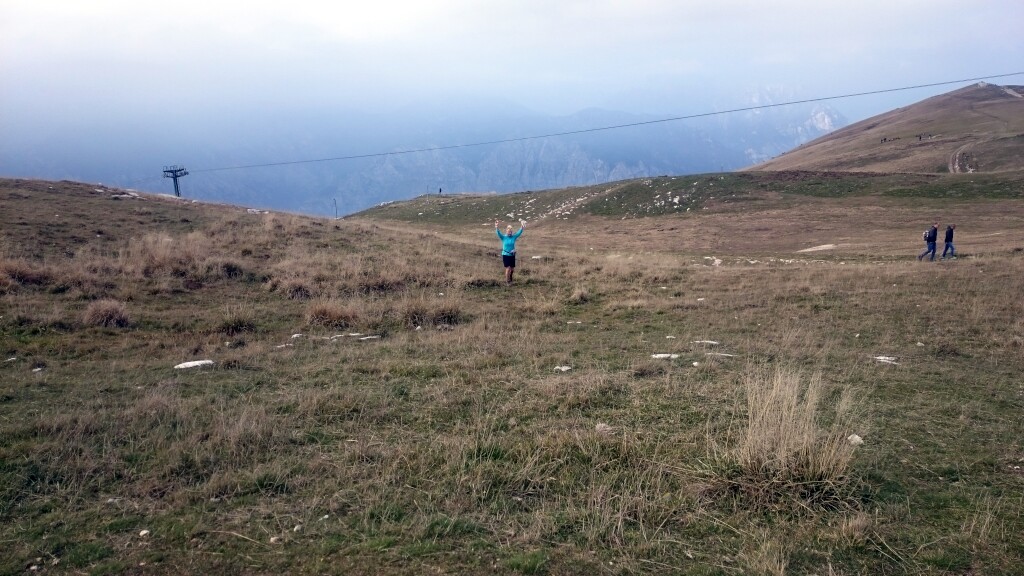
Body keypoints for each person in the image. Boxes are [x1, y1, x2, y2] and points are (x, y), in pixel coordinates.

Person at [495, 219, 525, 285]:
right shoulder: (503, 237)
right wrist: (496, 226)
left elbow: (519, 232)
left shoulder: (513, 237)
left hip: (512, 255)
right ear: (506, 231)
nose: (509, 232)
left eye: (510, 231)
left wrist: (522, 226)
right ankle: (507, 281)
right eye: (508, 231)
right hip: (505, 254)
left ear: (511, 232)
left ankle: (511, 279)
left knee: (512, 269)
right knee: (508, 268)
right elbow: (498, 233)